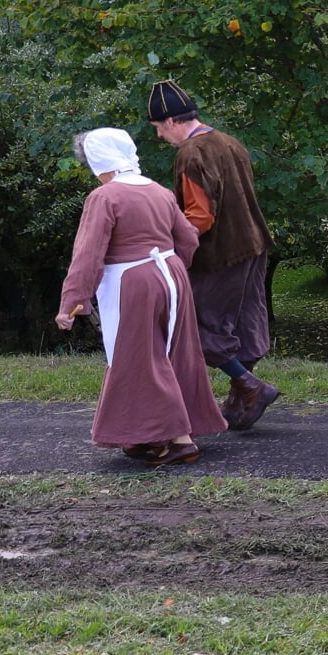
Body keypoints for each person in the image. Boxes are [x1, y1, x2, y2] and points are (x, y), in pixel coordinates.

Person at [55, 128, 227, 466]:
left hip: (131, 283)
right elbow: (188, 239)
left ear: (99, 160)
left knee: (137, 358)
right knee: (174, 353)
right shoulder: (159, 191)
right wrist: (174, 269)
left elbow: (88, 255)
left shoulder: (105, 197)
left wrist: (72, 303)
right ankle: (146, 433)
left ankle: (179, 439)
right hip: (171, 275)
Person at [146, 79, 280, 431]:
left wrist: (169, 248)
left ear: (172, 121)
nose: (160, 136)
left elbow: (199, 217)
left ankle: (250, 387)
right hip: (253, 245)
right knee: (244, 323)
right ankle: (241, 400)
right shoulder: (229, 142)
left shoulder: (192, 154)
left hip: (221, 255)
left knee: (195, 325)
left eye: (159, 128)